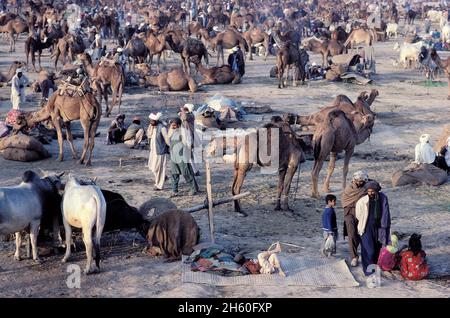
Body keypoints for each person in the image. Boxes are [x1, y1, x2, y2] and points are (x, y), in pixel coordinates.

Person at [355, 181, 391, 276]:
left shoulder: (382, 198)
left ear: (376, 190)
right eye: (369, 191)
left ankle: (373, 267)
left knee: (376, 248)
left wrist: (384, 226)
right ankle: (367, 270)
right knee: (368, 250)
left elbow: (386, 213)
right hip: (366, 228)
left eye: (372, 191)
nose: (370, 193)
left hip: (379, 228)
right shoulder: (362, 201)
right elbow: (358, 214)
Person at [342, 170, 369, 267]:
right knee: (351, 233)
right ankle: (354, 256)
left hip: (362, 212)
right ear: (354, 180)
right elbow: (345, 201)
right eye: (358, 181)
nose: (360, 183)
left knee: (360, 232)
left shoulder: (366, 187)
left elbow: (375, 186)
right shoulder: (349, 189)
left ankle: (359, 253)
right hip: (350, 212)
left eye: (362, 181)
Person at [167, 117, 199, 196]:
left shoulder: (184, 132)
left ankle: (194, 189)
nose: (172, 127)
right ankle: (174, 191)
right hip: (174, 156)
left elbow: (189, 143)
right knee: (174, 173)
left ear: (178, 125)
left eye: (174, 125)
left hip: (182, 156)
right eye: (172, 125)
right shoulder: (172, 132)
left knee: (186, 173)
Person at [148, 112, 169, 190]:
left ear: (156, 120)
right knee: (153, 167)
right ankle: (163, 178)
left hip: (160, 152)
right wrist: (151, 127)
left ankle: (159, 185)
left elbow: (167, 140)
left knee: (159, 168)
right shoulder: (153, 126)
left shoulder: (162, 128)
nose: (150, 122)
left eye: (152, 121)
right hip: (153, 151)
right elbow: (149, 135)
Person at [179, 103, 200, 176]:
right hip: (188, 138)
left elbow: (184, 118)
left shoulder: (189, 117)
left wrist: (182, 110)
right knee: (190, 156)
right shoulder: (189, 116)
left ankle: (194, 171)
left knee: (189, 156)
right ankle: (194, 170)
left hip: (189, 139)